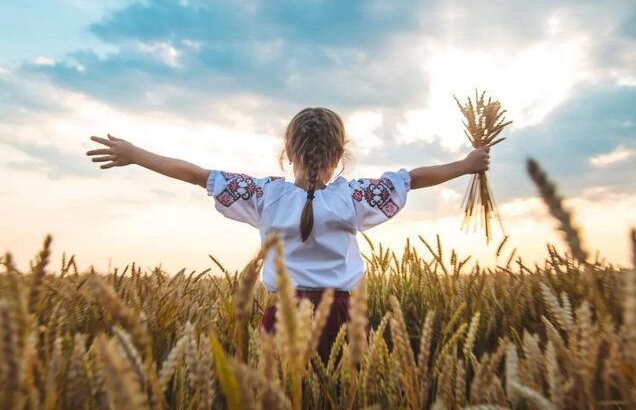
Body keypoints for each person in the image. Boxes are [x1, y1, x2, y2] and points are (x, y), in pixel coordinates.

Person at [86, 107, 489, 364]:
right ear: (337, 157)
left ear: (289, 153)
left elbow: (195, 175)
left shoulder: (265, 195)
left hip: (284, 317)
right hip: (347, 317)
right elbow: (413, 178)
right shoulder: (352, 197)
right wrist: (466, 164)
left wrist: (136, 155)